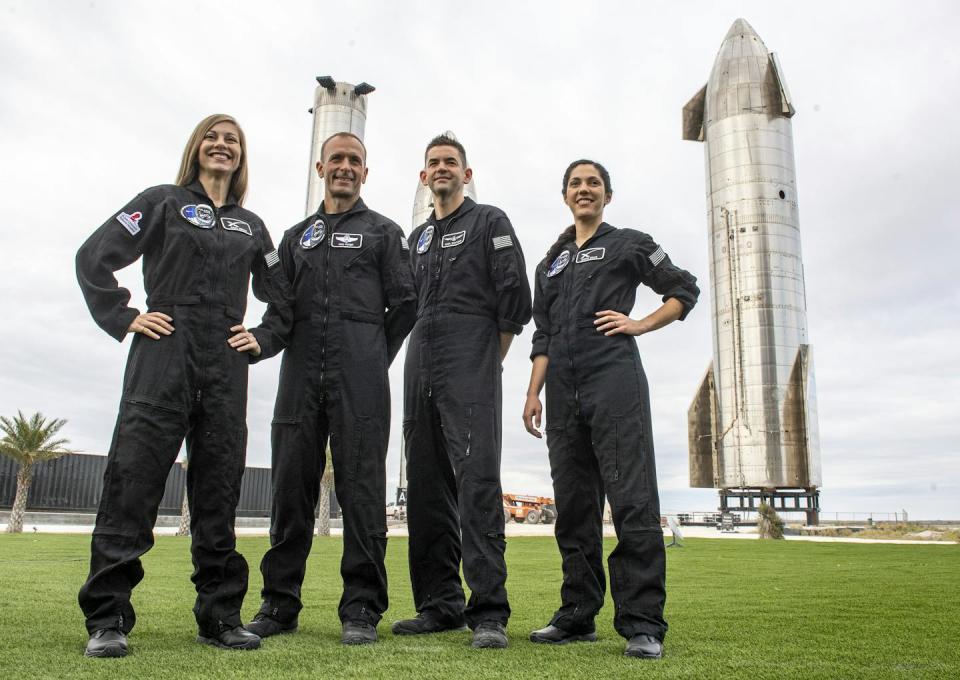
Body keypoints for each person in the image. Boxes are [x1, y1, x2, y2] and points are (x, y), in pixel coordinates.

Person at [76, 114, 286, 657]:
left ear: (241, 157)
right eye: (213, 138)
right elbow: (93, 257)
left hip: (225, 364)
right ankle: (107, 619)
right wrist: (125, 318)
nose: (222, 146)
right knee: (134, 485)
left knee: (218, 494)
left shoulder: (252, 226)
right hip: (163, 353)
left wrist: (261, 336)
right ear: (196, 149)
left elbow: (283, 299)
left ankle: (219, 617)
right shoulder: (161, 201)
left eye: (232, 140)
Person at [244, 132, 416, 646]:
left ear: (366, 173)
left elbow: (405, 303)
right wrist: (256, 341)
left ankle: (361, 609)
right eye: (336, 158)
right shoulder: (295, 238)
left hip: (360, 377)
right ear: (320, 166)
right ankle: (279, 605)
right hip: (298, 378)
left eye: (354, 161)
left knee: (362, 493)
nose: (345, 167)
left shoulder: (384, 233)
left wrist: (370, 355)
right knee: (289, 491)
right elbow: (279, 308)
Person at [522, 160, 699, 659]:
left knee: (631, 499)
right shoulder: (550, 262)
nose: (584, 190)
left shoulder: (630, 243)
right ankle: (577, 615)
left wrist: (640, 324)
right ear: (565, 196)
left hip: (613, 380)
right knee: (574, 507)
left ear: (607, 195)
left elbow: (684, 289)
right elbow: (544, 333)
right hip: (560, 390)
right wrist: (534, 392)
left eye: (593, 183)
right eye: (576, 184)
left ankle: (643, 623)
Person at [394, 135, 532, 649]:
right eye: (433, 163)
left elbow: (515, 297)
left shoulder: (489, 221)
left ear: (466, 174)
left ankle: (489, 612)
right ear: (423, 176)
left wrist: (486, 357)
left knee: (476, 482)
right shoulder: (417, 239)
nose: (442, 169)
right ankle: (439, 605)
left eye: (451, 162)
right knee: (427, 486)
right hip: (419, 358)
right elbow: (402, 305)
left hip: (470, 354)